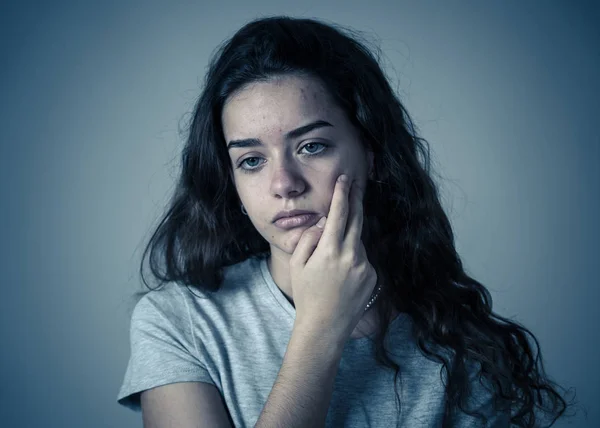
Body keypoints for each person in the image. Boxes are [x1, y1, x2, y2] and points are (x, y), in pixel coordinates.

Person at [116, 16, 574, 427]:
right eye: (252, 160)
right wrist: (320, 328)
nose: (284, 183)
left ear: (371, 155)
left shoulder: (458, 343)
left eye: (312, 146)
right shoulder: (178, 321)